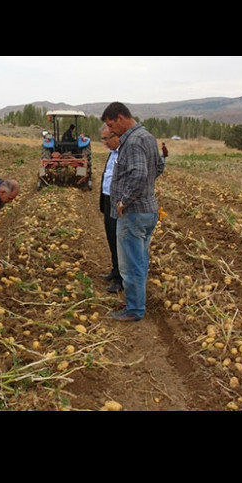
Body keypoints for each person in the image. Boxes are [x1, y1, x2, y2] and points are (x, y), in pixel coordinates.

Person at [101, 102, 165, 322]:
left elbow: (138, 175)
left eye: (111, 124)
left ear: (120, 118)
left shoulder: (133, 141)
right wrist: (145, 188)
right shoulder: (147, 136)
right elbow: (158, 167)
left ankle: (135, 309)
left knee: (130, 265)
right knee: (141, 260)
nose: (111, 130)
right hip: (148, 211)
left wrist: (123, 201)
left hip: (134, 213)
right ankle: (134, 300)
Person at [98, 123, 123, 294]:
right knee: (111, 238)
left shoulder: (124, 154)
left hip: (118, 202)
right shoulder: (112, 153)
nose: (105, 142)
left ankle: (120, 279)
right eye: (103, 139)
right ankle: (115, 271)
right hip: (108, 199)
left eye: (107, 138)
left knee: (118, 240)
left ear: (117, 136)